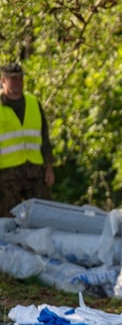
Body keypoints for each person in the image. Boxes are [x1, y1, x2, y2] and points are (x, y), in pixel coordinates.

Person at [0, 62, 54, 217]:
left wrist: (49, 167)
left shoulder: (33, 102)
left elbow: (44, 136)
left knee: (43, 214)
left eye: (20, 78)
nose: (18, 82)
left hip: (35, 171)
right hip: (6, 175)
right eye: (13, 79)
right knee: (7, 220)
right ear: (2, 81)